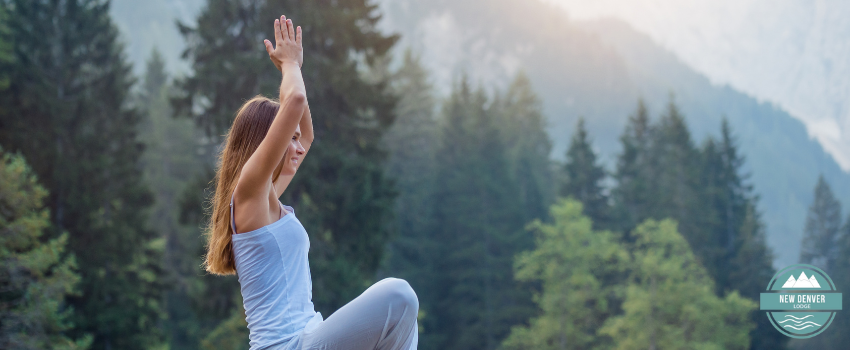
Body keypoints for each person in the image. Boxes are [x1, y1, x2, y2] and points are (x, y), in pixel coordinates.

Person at [201, 14, 419, 350]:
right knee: (399, 295)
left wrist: (293, 69)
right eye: (290, 138)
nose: (298, 146)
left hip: (308, 336)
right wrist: (290, 65)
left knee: (401, 318)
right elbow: (295, 102)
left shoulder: (268, 197)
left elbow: (308, 133)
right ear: (264, 142)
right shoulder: (249, 194)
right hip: (286, 346)